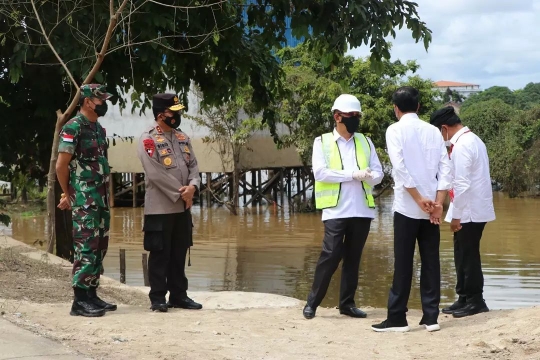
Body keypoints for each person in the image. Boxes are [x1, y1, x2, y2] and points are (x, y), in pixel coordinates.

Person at [372, 86, 452, 333]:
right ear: (418, 106)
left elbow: (400, 168)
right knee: (430, 262)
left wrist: (419, 200)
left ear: (396, 109)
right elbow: (445, 168)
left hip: (408, 208)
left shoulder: (394, 130)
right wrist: (437, 204)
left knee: (403, 263)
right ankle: (431, 317)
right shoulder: (433, 131)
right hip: (431, 211)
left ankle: (397, 318)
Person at [302, 94, 384, 320]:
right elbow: (321, 172)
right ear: (337, 117)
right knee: (330, 255)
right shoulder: (322, 142)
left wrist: (369, 177)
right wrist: (352, 174)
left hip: (361, 209)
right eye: (351, 116)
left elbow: (379, 173)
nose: (355, 119)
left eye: (357, 116)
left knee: (353, 258)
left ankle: (347, 304)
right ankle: (312, 303)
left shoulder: (366, 142)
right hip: (336, 210)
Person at [137, 93, 202, 312]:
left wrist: (193, 186)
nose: (177, 116)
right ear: (161, 114)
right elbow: (155, 174)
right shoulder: (148, 139)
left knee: (179, 252)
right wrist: (181, 192)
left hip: (183, 206)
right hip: (160, 207)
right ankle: (157, 298)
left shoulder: (182, 137)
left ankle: (179, 295)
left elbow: (193, 165)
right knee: (160, 254)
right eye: (173, 112)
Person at [57, 84, 117, 317]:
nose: (104, 103)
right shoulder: (73, 127)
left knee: (99, 247)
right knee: (85, 248)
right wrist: (69, 193)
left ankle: (92, 294)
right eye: (100, 99)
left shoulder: (98, 129)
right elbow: (61, 165)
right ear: (88, 101)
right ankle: (79, 301)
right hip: (84, 199)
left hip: (100, 198)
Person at [430, 106, 495, 318]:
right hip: (470, 207)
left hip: (470, 210)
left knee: (468, 255)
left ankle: (476, 300)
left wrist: (456, 216)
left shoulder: (464, 145)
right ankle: (464, 297)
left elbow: (462, 184)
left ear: (444, 128)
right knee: (460, 252)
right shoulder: (469, 140)